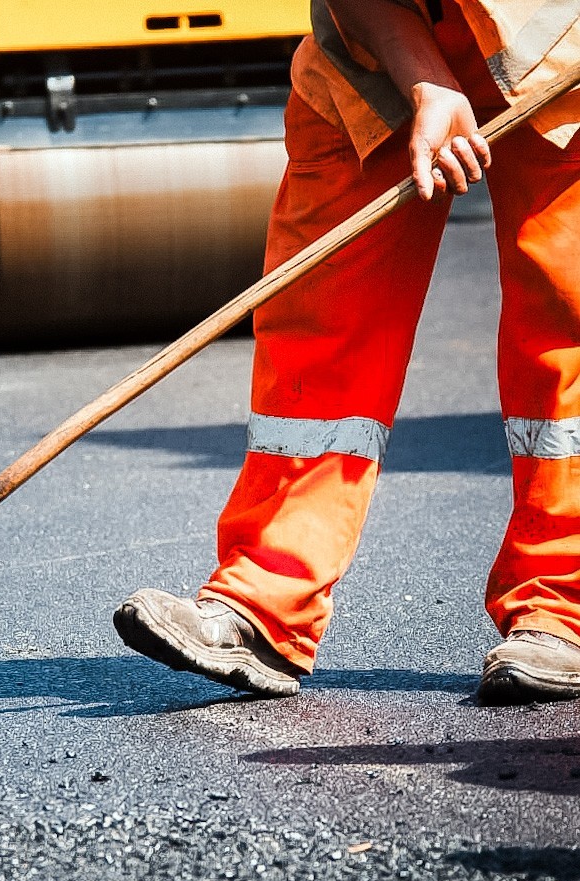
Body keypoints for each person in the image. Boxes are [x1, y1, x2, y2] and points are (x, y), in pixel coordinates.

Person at [114, 0, 580, 704]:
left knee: (566, 319)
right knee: (317, 327)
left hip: (557, 58)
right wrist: (426, 80)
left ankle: (560, 604)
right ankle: (262, 602)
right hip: (368, 66)